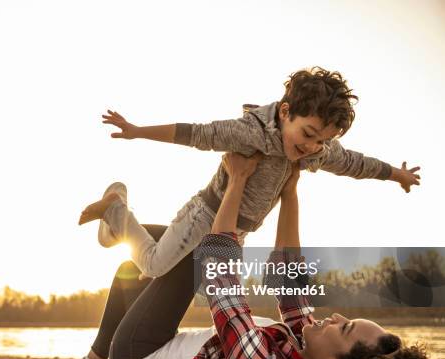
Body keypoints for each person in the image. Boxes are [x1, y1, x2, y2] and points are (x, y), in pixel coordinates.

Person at [48, 153, 431, 359]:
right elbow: (287, 273)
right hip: (165, 342)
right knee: (133, 271)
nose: (332, 317)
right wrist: (290, 190)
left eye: (344, 327)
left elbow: (221, 279)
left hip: (137, 357)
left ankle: (119, 223)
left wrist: (236, 181)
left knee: (194, 251)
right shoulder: (314, 356)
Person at [80, 67, 421, 281]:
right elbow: (198, 133)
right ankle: (117, 208)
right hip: (206, 215)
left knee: (223, 294)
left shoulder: (319, 150)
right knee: (153, 266)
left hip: (237, 233)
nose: (313, 146)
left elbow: (356, 164)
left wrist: (397, 176)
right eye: (308, 134)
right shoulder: (250, 132)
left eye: (323, 140)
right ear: (286, 112)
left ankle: (117, 230)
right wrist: (138, 131)